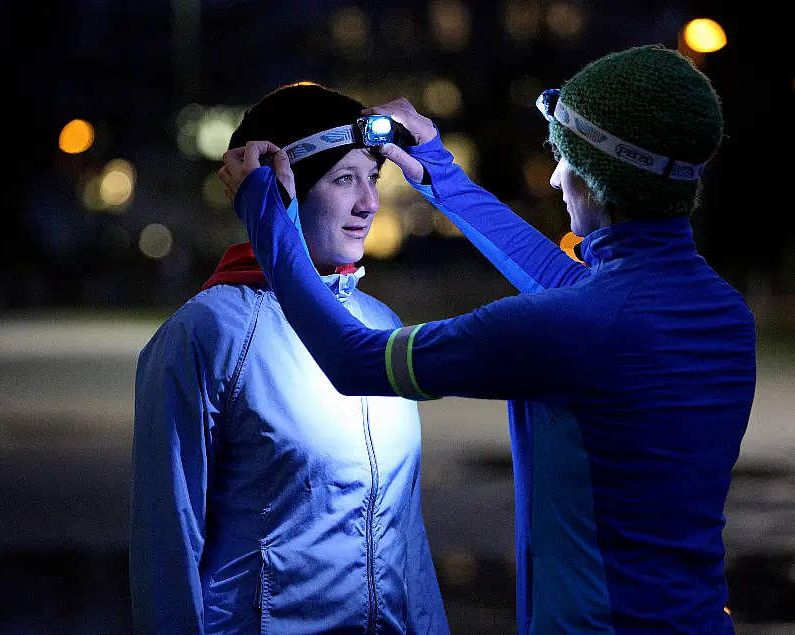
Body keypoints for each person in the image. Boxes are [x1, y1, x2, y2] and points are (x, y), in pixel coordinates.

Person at [221, 44, 757, 634]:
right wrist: (438, 173)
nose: (554, 178)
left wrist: (267, 215)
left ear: (599, 182)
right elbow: (570, 283)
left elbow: (355, 361)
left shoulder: (571, 327)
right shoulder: (724, 314)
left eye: (563, 157)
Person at [130, 82, 450, 635]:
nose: (368, 203)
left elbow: (407, 537)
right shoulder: (206, 334)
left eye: (372, 178)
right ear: (284, 187)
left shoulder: (380, 325)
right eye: (343, 178)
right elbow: (167, 544)